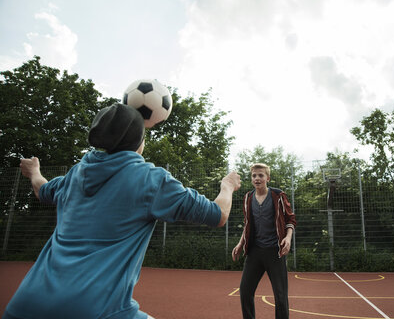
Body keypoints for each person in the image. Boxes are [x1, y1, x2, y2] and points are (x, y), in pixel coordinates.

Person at [3, 103, 241, 319]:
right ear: (139, 141)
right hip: (95, 310)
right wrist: (227, 186)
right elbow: (218, 215)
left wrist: (34, 171)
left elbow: (41, 190)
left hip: (26, 304)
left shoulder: (76, 174)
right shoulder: (151, 180)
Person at [232, 163, 296, 319]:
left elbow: (290, 220)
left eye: (260, 175)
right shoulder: (248, 197)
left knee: (280, 297)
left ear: (267, 178)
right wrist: (241, 243)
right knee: (245, 291)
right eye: (254, 175)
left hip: (275, 252)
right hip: (254, 252)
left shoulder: (278, 196)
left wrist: (288, 238)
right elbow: (248, 224)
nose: (257, 178)